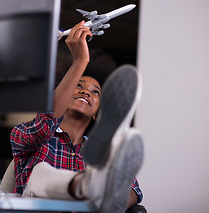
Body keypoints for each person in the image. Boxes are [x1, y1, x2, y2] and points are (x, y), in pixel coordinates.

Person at [10, 21, 143, 212]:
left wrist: (116, 202)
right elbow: (45, 123)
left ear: (98, 113)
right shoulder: (23, 134)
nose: (86, 93)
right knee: (40, 172)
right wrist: (80, 62)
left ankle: (98, 192)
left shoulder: (99, 150)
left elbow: (134, 190)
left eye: (95, 92)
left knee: (114, 167)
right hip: (35, 209)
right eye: (78, 86)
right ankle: (91, 187)